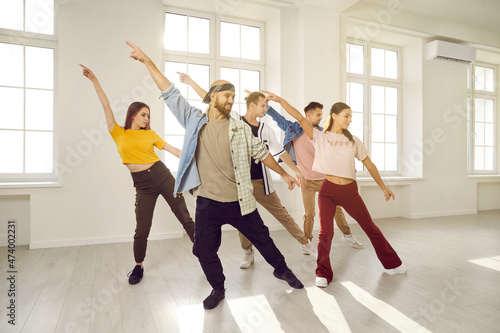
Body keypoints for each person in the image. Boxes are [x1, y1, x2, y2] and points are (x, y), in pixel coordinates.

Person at [126, 41, 304, 310]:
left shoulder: (241, 128)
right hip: (208, 202)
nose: (232, 101)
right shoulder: (195, 119)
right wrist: (148, 61)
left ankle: (281, 269)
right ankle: (218, 288)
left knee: (263, 239)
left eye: (233, 97)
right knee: (204, 250)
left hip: (240, 200)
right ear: (213, 97)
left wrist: (286, 173)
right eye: (227, 96)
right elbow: (169, 92)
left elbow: (262, 153)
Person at [263, 91, 407, 288]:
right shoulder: (320, 136)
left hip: (350, 191)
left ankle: (393, 263)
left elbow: (370, 165)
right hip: (328, 190)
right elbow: (297, 116)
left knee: (370, 228)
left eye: (351, 117)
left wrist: (384, 187)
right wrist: (280, 101)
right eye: (346, 116)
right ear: (335, 116)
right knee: (326, 233)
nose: (349, 120)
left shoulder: (353, 140)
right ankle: (322, 272)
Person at [178, 73, 317, 269]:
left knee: (282, 215)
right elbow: (210, 98)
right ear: (253, 106)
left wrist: (294, 171)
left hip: (261, 182)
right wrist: (192, 82)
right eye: (263, 106)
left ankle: (305, 243)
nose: (265, 109)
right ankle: (247, 252)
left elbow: (280, 153)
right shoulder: (233, 118)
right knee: (242, 222)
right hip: (239, 183)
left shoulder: (266, 130)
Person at [80, 64, 195, 286]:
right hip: (142, 185)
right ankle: (138, 266)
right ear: (133, 114)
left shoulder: (150, 134)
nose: (146, 118)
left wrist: (197, 157)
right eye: (143, 114)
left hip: (162, 176)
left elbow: (172, 150)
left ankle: (204, 253)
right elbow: (105, 104)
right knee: (142, 229)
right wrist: (95, 81)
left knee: (184, 216)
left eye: (148, 115)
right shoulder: (117, 132)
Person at [265, 101, 364, 248]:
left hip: (326, 179)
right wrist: (265, 105)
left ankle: (347, 235)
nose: (320, 118)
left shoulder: (322, 133)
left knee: (337, 209)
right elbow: (278, 118)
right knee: (309, 213)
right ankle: (307, 241)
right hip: (307, 181)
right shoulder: (293, 129)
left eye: (321, 115)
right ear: (308, 115)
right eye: (318, 115)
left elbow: (335, 153)